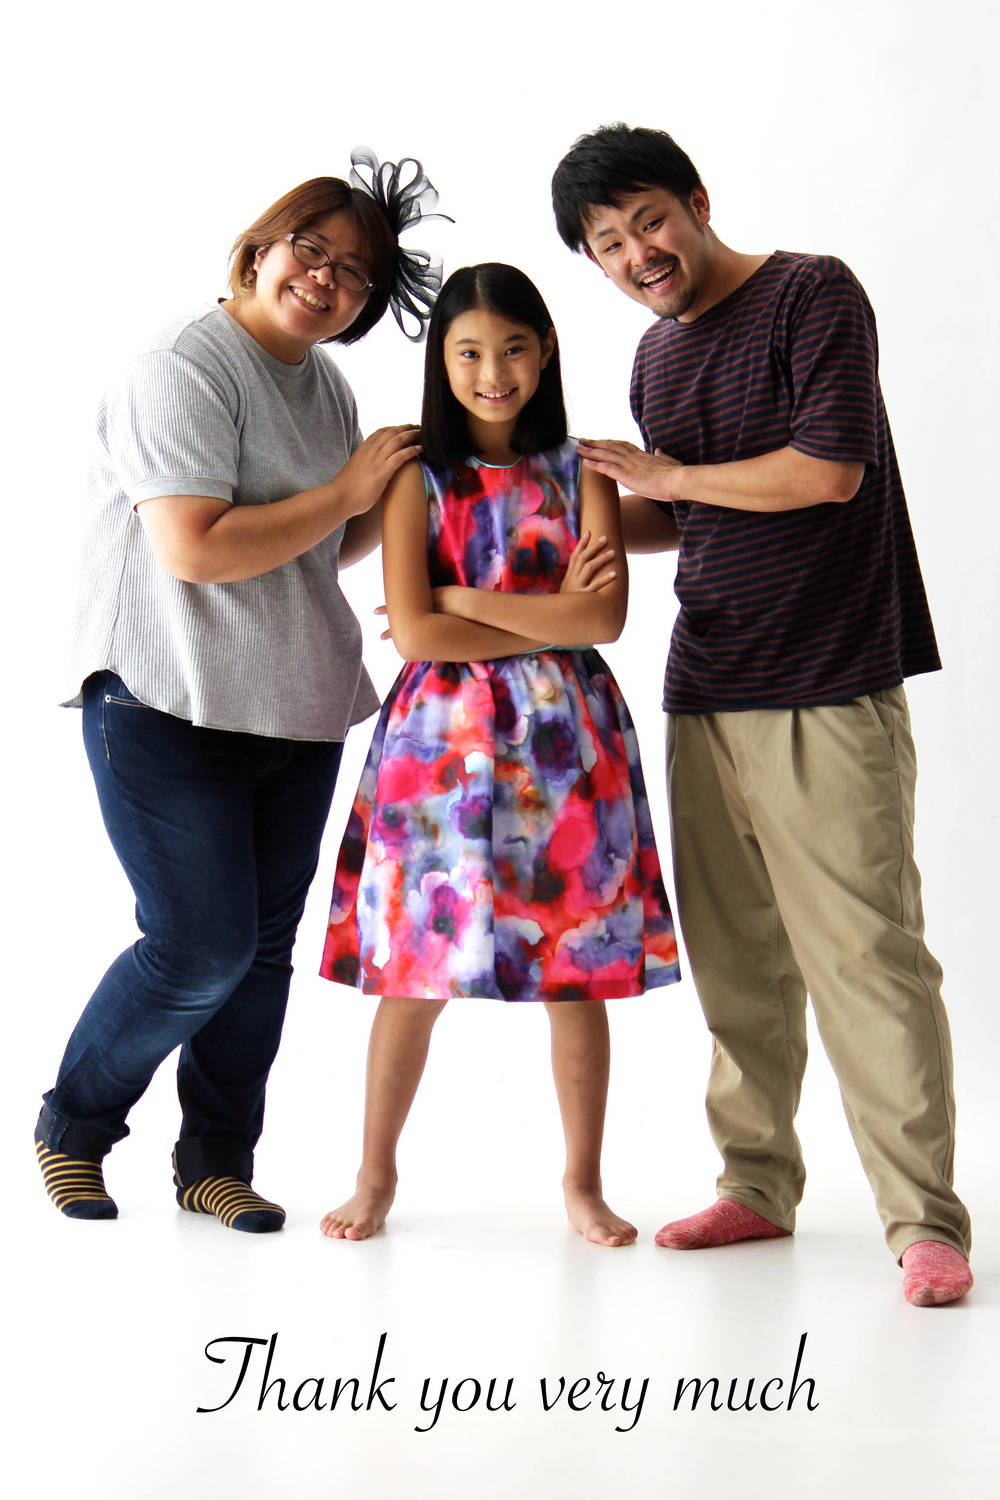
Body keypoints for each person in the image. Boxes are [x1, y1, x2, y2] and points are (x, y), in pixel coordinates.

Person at [550, 123, 973, 1306]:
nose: (635, 253)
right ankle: (756, 1183)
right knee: (738, 965)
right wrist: (572, 499)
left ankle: (923, 1223)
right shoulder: (655, 359)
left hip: (828, 683)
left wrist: (666, 477)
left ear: (694, 200)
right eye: (606, 243)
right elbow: (687, 513)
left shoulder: (810, 293)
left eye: (647, 221)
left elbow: (824, 471)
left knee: (867, 958)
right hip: (705, 688)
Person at [36, 150, 448, 1233]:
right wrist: (349, 488)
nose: (326, 280)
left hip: (293, 704)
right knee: (197, 946)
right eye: (311, 251)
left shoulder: (324, 384)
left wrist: (389, 496)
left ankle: (216, 1162)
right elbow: (196, 548)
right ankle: (74, 1126)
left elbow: (316, 548)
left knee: (261, 955)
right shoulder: (182, 365)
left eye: (354, 274)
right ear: (261, 249)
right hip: (164, 699)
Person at [318, 263, 680, 1246]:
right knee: (412, 971)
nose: (493, 372)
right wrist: (530, 612)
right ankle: (375, 1176)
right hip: (438, 753)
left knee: (576, 971)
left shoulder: (583, 469)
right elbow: (416, 637)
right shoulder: (414, 474)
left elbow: (600, 618)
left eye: (514, 348)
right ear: (441, 360)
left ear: (546, 350)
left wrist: (461, 598)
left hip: (567, 747)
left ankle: (582, 1184)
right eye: (470, 352)